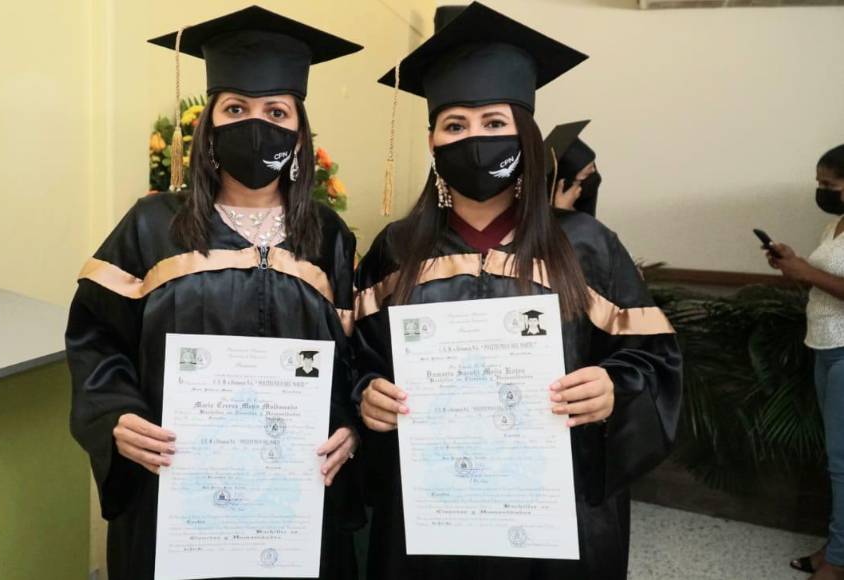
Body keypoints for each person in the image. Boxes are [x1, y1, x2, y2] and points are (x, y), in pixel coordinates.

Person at [353, 3, 683, 579]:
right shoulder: (395, 249)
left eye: (494, 123)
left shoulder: (587, 245)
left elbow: (654, 360)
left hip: (559, 512)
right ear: (431, 140)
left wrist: (614, 388)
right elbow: (358, 357)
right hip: (431, 509)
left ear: (525, 135)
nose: (474, 139)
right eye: (455, 125)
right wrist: (365, 393)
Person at [65, 7, 363, 579]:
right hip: (175, 496)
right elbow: (95, 339)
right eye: (236, 109)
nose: (257, 125)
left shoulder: (327, 236)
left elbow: (353, 357)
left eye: (277, 111)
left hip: (295, 499)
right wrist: (115, 414)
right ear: (209, 125)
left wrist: (347, 424)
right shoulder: (152, 226)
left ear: (300, 133)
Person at [767, 143, 844, 580]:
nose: (821, 192)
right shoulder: (834, 226)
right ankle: (836, 549)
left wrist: (806, 273)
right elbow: (824, 285)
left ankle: (838, 560)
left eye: (828, 185)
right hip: (823, 344)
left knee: (842, 461)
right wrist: (793, 266)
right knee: (836, 460)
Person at [544, 120, 602, 216]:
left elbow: (588, 222)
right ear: (571, 171)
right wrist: (561, 209)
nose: (593, 170)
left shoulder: (591, 182)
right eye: (589, 168)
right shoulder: (544, 187)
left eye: (593, 165)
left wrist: (568, 209)